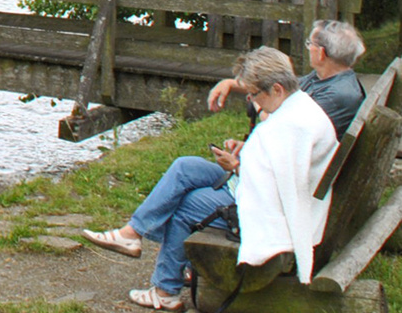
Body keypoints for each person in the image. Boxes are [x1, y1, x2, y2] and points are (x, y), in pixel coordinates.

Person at [82, 48, 340, 310]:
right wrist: (245, 151)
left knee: (187, 206)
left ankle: (164, 290)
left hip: (264, 206)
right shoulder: (300, 106)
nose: (252, 100)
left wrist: (238, 166)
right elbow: (281, 169)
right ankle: (132, 233)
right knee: (185, 167)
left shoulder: (288, 126)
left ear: (276, 89)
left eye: (254, 94)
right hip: (250, 183)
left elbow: (279, 189)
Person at [208, 19, 365, 133]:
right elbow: (284, 87)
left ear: (322, 53)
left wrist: (257, 102)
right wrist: (231, 83)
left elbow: (281, 128)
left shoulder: (336, 96)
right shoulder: (324, 77)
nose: (308, 48)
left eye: (310, 44)